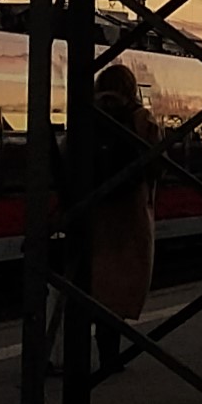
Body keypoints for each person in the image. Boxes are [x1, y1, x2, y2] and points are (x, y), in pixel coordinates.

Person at [81, 62, 161, 321]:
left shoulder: (86, 114)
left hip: (92, 212)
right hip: (131, 212)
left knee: (96, 281)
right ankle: (113, 355)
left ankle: (98, 350)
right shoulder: (141, 118)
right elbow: (159, 163)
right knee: (124, 286)